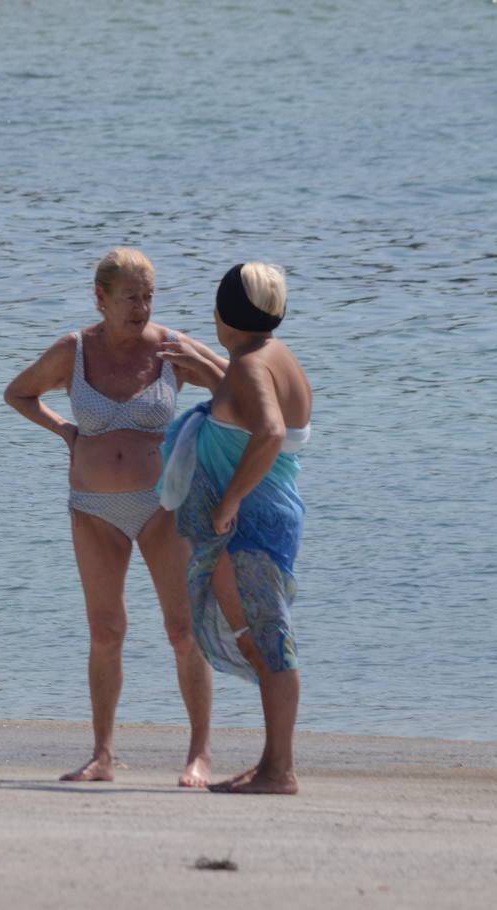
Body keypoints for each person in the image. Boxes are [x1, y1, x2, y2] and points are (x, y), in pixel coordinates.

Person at [3, 248, 227, 787]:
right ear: (100, 298)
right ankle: (101, 755)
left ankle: (199, 754)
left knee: (182, 630)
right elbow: (18, 393)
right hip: (94, 510)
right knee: (105, 631)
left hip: (162, 504)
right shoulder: (74, 350)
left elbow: (241, 390)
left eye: (148, 296)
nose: (141, 308)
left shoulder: (170, 348)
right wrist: (65, 430)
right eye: (130, 297)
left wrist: (203, 374)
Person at [157, 263, 312, 795]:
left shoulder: (249, 367)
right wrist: (208, 364)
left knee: (269, 641)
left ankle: (280, 770)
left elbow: (268, 430)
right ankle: (271, 762)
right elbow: (249, 406)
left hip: (250, 524)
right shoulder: (272, 356)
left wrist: (229, 502)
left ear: (221, 313)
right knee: (260, 640)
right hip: (269, 517)